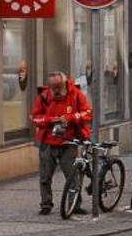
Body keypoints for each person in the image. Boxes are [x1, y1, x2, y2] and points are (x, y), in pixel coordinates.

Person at [30, 71, 92, 215]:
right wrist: (52, 120)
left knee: (72, 176)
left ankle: (74, 204)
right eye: (53, 87)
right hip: (48, 142)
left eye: (58, 86)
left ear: (65, 83)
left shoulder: (75, 95)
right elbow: (34, 117)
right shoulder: (44, 96)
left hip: (68, 142)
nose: (56, 90)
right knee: (45, 176)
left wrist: (70, 118)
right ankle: (46, 204)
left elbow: (87, 113)